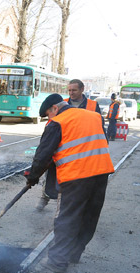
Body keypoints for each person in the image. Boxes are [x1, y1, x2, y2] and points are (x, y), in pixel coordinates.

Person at [25, 93, 114, 273]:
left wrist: (33, 177)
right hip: (101, 172)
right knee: (89, 215)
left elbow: (43, 154)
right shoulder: (94, 116)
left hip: (76, 177)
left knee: (66, 218)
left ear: (55, 109)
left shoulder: (58, 122)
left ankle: (57, 261)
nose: (48, 119)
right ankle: (74, 254)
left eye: (48, 115)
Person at [36, 79, 106, 212]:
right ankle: (45, 197)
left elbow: (98, 127)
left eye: (74, 90)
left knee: (70, 182)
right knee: (52, 174)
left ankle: (65, 210)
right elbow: (53, 125)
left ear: (81, 90)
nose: (71, 93)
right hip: (63, 146)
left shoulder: (92, 105)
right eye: (69, 90)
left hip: (82, 149)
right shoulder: (62, 104)